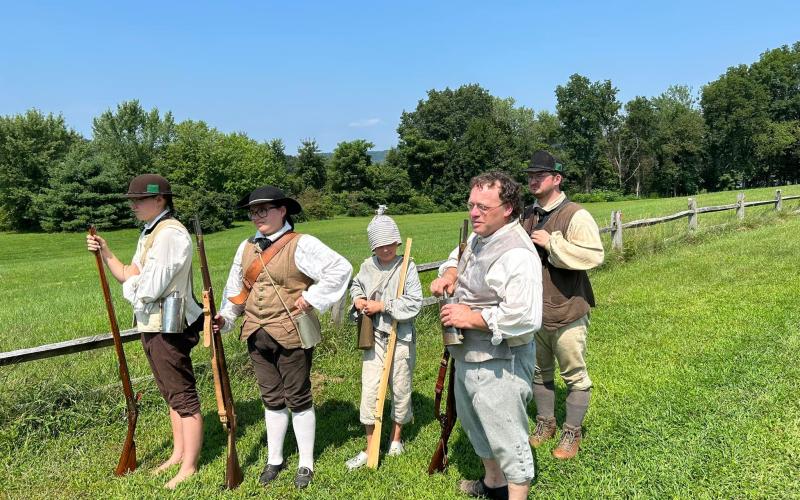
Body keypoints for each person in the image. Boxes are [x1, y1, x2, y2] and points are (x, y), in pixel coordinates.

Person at [214, 185, 351, 489]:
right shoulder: (245, 247)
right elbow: (236, 289)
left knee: (298, 398)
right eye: (253, 211)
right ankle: (274, 459)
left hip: (291, 334)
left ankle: (306, 463)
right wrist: (226, 319)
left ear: (282, 211)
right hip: (255, 333)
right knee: (271, 399)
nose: (257, 216)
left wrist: (312, 298)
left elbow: (340, 269)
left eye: (264, 210)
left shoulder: (302, 244)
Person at [86, 174, 203, 489]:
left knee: (183, 396)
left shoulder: (170, 235)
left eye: (139, 200)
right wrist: (105, 252)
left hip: (170, 327)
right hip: (153, 324)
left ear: (160, 199)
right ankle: (178, 455)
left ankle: (189, 466)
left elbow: (148, 288)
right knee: (171, 394)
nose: (134, 205)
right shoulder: (151, 232)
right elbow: (129, 273)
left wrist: (134, 284)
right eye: (132, 200)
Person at [430, 171, 542, 500]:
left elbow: (526, 317)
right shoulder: (481, 236)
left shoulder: (517, 253)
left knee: (509, 439)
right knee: (477, 426)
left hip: (501, 361)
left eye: (483, 207)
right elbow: (460, 255)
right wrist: (451, 273)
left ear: (507, 209)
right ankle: (494, 485)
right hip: (470, 355)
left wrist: (471, 317)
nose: (474, 213)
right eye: (471, 205)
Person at [521, 150, 604, 460]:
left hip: (568, 308)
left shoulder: (576, 215)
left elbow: (594, 255)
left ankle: (572, 432)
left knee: (574, 375)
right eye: (530, 175)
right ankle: (545, 423)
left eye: (540, 175)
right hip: (535, 311)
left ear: (557, 179)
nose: (533, 180)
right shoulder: (526, 214)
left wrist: (552, 243)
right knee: (538, 372)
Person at [345, 213, 423, 470]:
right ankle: (370, 446)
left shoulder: (406, 266)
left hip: (401, 337)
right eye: (381, 245)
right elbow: (356, 286)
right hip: (374, 337)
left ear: (397, 242)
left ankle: (395, 439)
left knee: (400, 386)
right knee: (370, 389)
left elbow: (414, 302)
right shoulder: (367, 266)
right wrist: (358, 299)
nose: (387, 249)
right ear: (373, 246)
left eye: (390, 243)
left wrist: (384, 306)